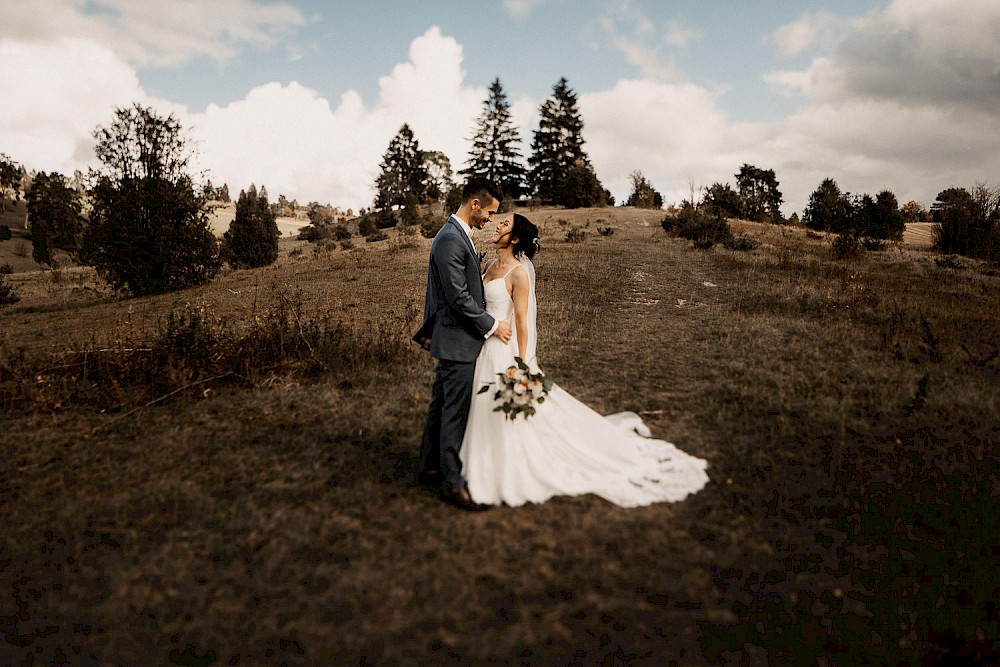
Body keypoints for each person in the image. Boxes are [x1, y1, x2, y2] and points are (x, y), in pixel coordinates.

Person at [460, 213, 709, 507]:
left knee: (501, 401)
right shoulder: (489, 264)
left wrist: (523, 363)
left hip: (503, 347)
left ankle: (504, 461)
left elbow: (522, 322)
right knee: (481, 400)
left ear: (515, 238)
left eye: (505, 224)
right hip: (484, 344)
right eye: (499, 222)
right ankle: (477, 457)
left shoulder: (518, 273)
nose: (498, 225)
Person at [413, 177, 512, 511]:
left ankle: (430, 465)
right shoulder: (451, 240)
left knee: (441, 402)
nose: (489, 219)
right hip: (458, 338)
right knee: (455, 410)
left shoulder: (454, 235)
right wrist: (491, 324)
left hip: (452, 336)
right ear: (474, 205)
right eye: (489, 212)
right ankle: (453, 484)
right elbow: (458, 296)